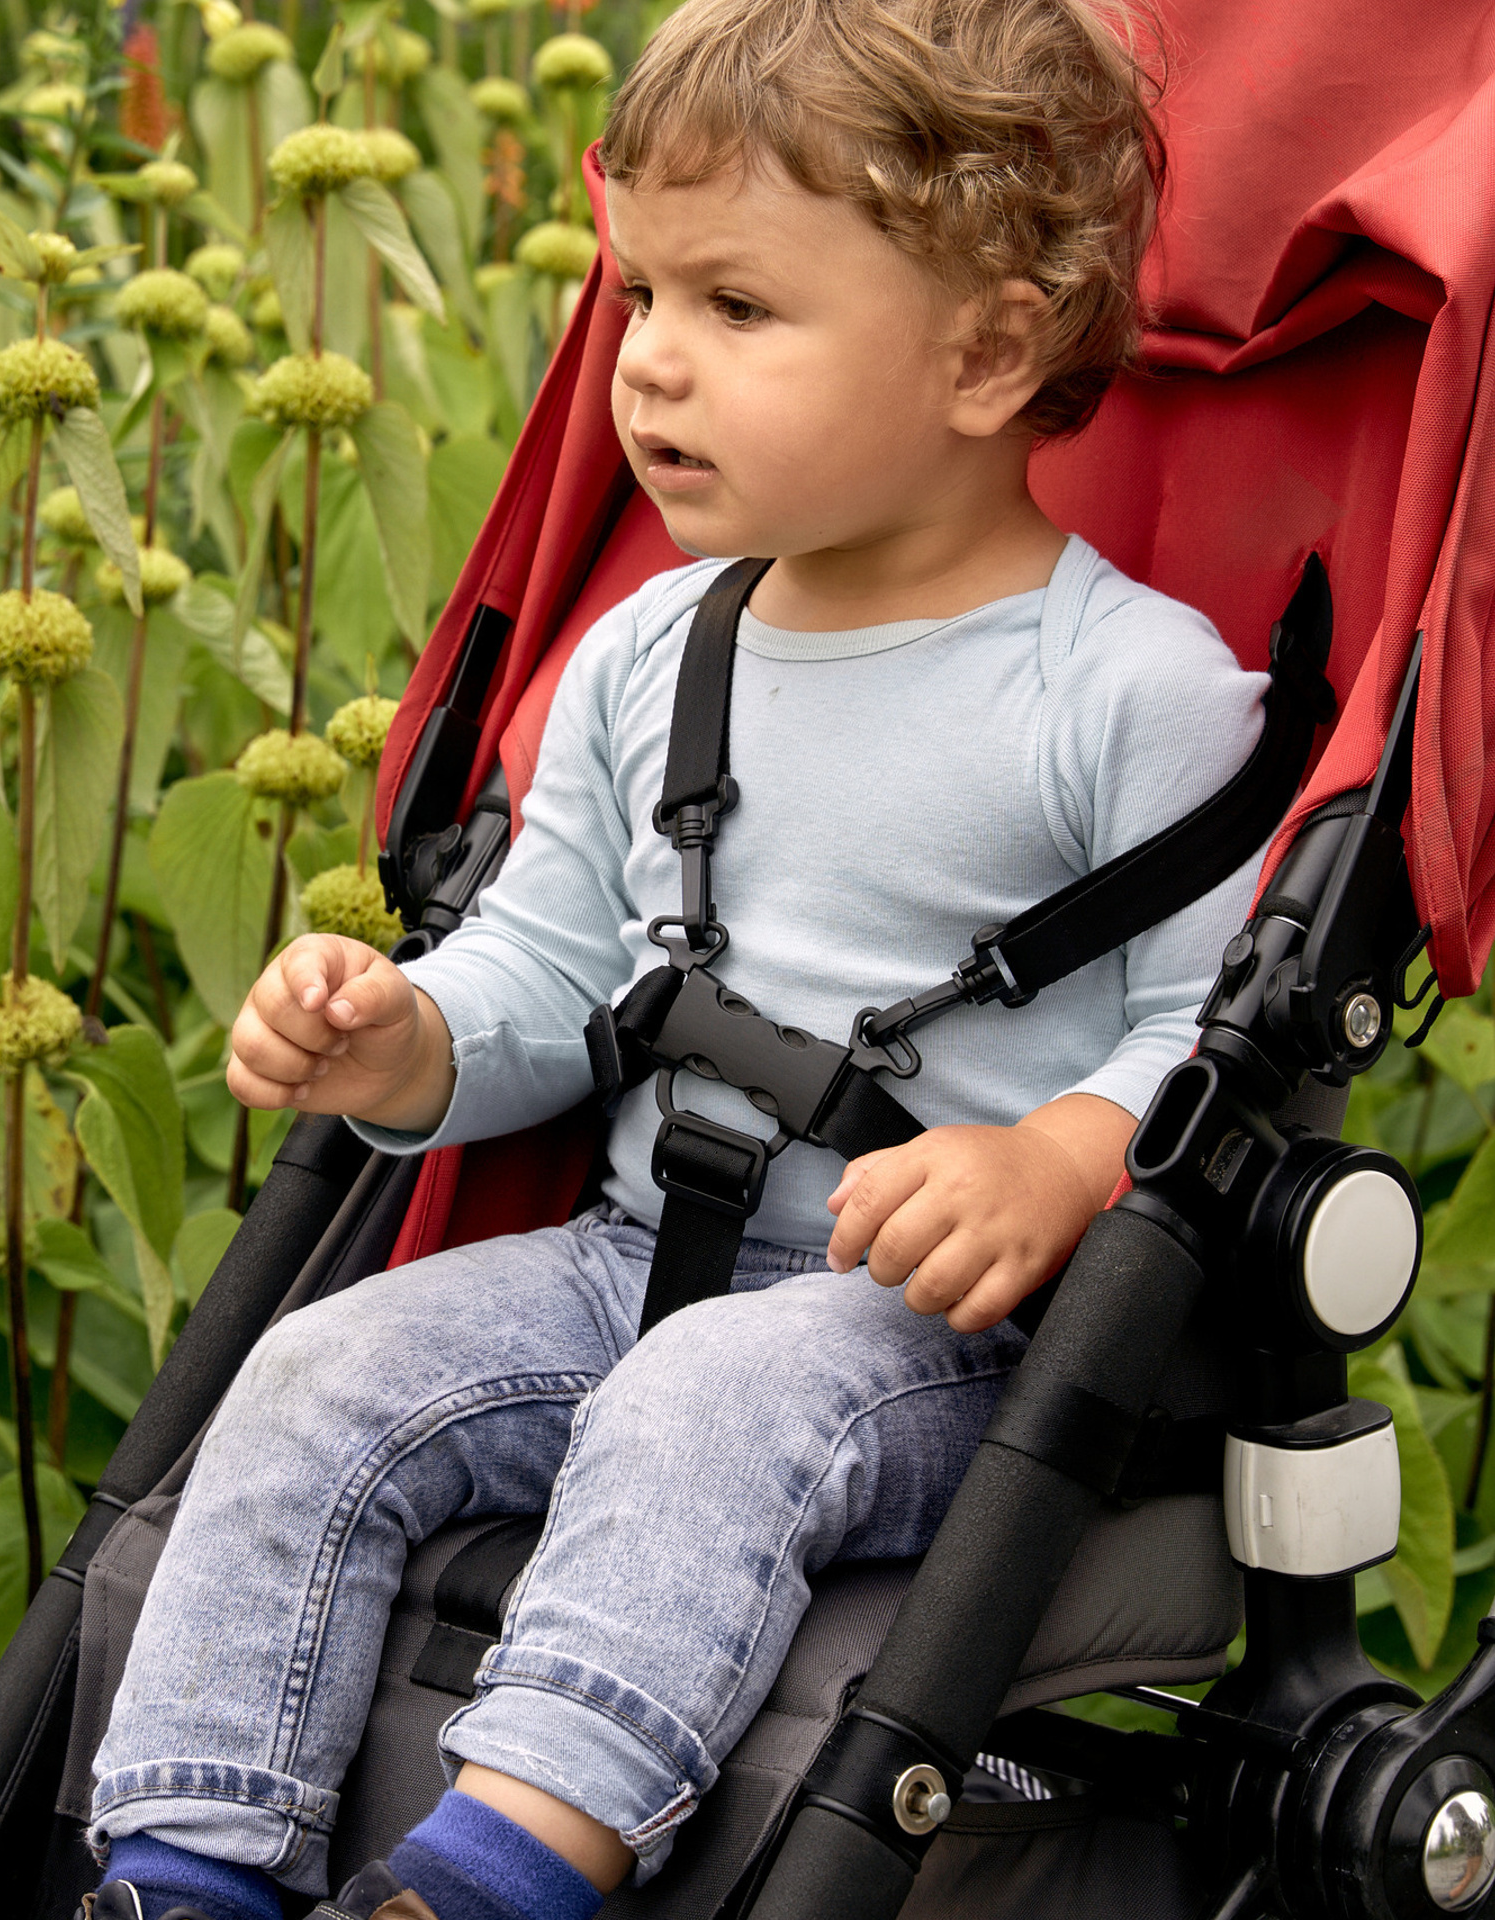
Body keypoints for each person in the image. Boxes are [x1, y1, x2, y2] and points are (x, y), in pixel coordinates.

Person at [88, 0, 1262, 1916]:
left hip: (932, 1340)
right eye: (640, 299)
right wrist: (403, 1040)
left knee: (712, 1401)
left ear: (985, 350)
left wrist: (1055, 1160)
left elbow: (1213, 1035)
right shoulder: (653, 652)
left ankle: (499, 1872)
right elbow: (554, 970)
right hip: (633, 1264)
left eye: (736, 308)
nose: (649, 370)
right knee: (324, 1368)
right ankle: (185, 1858)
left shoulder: (1126, 691)